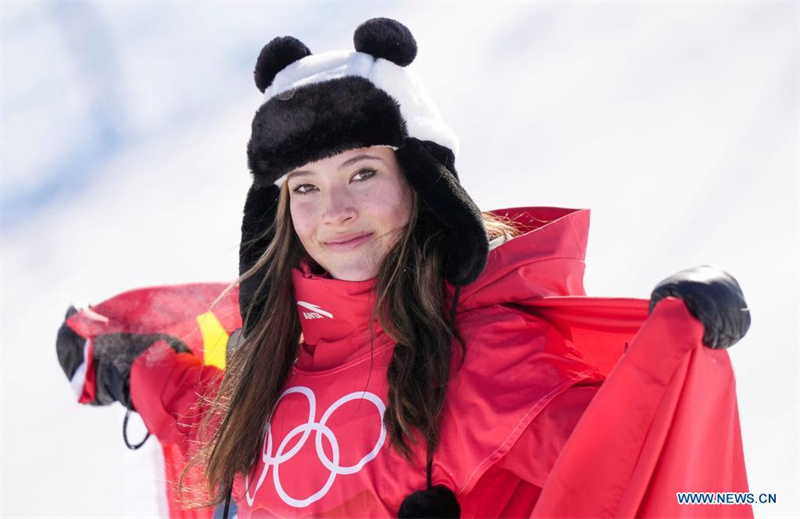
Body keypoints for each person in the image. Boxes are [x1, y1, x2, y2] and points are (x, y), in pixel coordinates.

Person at [56, 18, 752, 519]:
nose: (334, 210)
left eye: (362, 172)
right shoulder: (269, 368)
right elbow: (196, 419)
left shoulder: (483, 362)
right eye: (304, 185)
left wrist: (682, 352)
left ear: (422, 181)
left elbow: (642, 464)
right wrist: (118, 358)